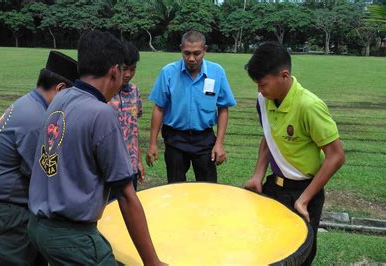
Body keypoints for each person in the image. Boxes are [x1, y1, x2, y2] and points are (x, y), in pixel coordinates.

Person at [27, 30, 165, 266]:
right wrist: (153, 262)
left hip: (38, 227)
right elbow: (127, 196)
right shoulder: (102, 113)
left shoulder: (61, 98)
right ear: (115, 71)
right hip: (71, 235)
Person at [0, 51, 78, 265]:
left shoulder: (30, 103)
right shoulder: (37, 119)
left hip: (5, 207)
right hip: (2, 212)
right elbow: (44, 173)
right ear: (61, 89)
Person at [243, 42, 345, 265]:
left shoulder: (309, 106)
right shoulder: (264, 100)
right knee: (269, 248)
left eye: (263, 84)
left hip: (303, 191)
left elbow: (336, 156)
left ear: (284, 75)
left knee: (298, 256)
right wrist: (258, 174)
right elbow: (269, 135)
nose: (259, 91)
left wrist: (304, 200)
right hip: (273, 187)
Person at [146, 30, 236, 183]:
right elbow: (159, 108)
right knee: (175, 187)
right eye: (187, 53)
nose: (191, 58)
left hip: (204, 139)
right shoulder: (168, 73)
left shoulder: (217, 72)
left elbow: (223, 108)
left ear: (205, 50)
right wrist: (152, 143)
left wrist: (219, 143)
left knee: (208, 187)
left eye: (197, 53)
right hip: (175, 138)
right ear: (181, 49)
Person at [108, 41, 144, 193]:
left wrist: (139, 161)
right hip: (110, 167)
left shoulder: (134, 91)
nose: (128, 74)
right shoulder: (104, 93)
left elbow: (134, 129)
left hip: (131, 165)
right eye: (124, 69)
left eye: (132, 69)